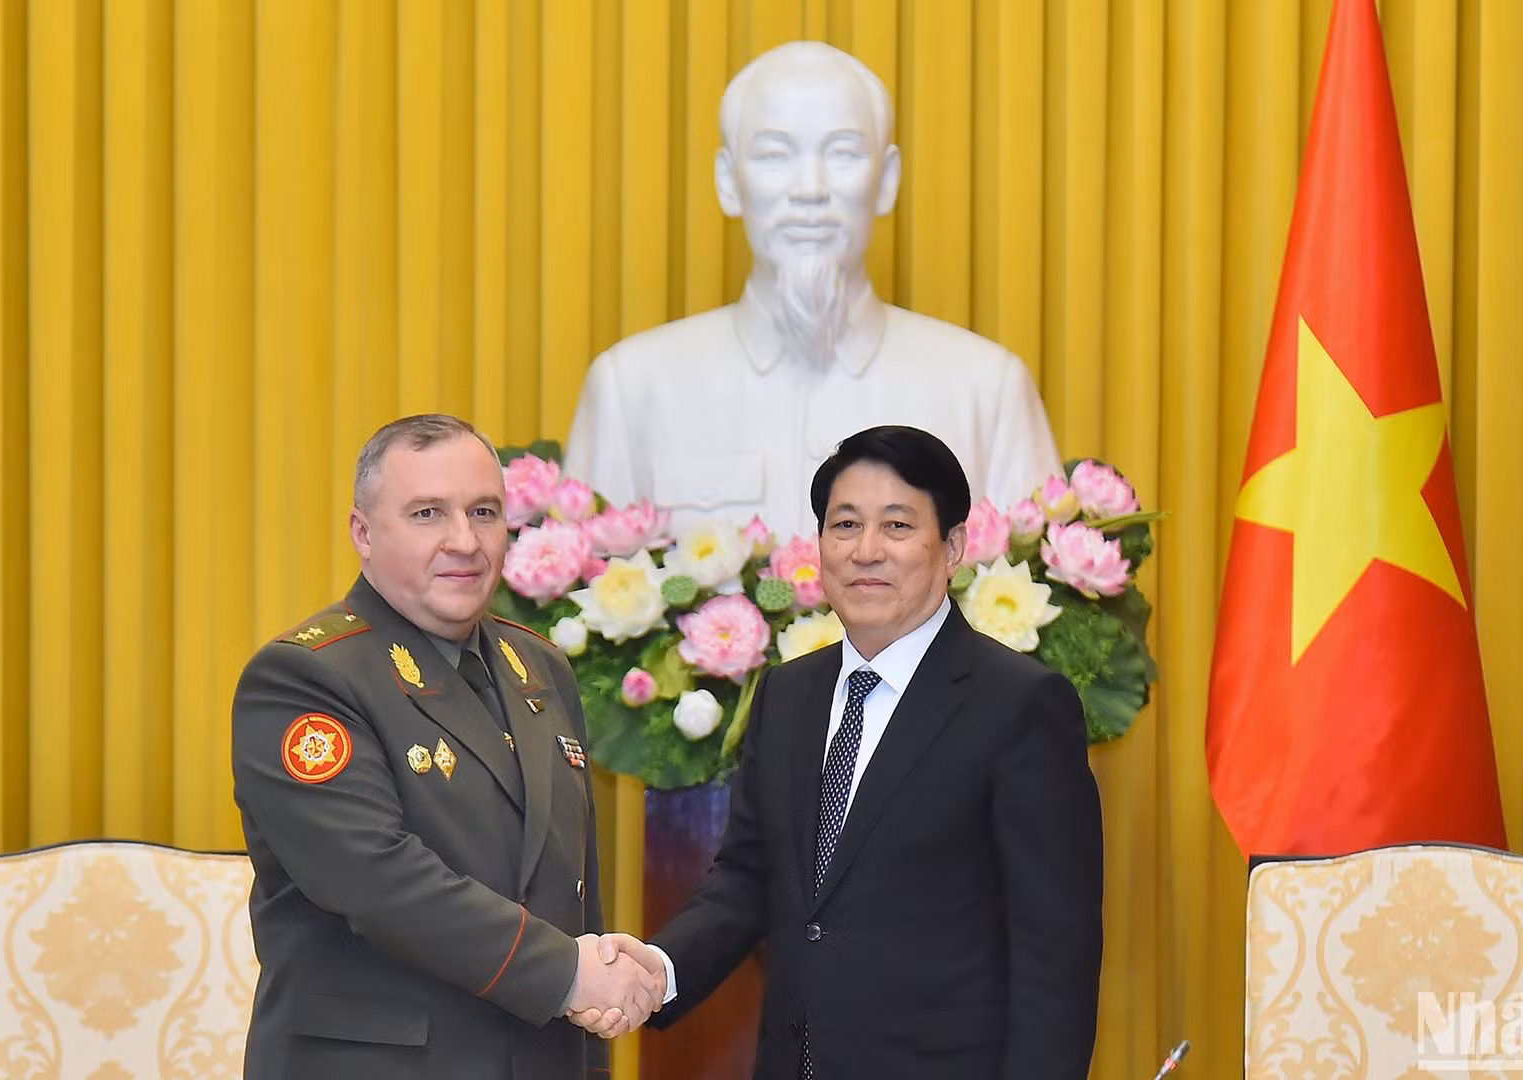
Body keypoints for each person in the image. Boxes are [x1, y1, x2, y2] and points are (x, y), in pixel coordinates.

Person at [584, 425, 1104, 1078]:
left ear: (952, 548)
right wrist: (659, 971)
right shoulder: (789, 694)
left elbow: (1055, 953)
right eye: (845, 525)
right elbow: (746, 880)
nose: (866, 551)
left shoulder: (1020, 705)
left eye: (896, 526)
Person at [231, 413, 664, 1078]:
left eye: (484, 511)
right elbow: (376, 877)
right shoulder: (306, 678)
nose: (464, 540)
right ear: (363, 533)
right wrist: (570, 975)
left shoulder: (541, 667)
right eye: (428, 513)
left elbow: (571, 890)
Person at [563, 41, 1062, 540]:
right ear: (727, 181)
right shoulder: (631, 388)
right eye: (774, 155)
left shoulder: (986, 389)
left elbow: (1041, 600)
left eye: (843, 153)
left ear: (887, 179)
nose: (810, 189)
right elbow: (578, 598)